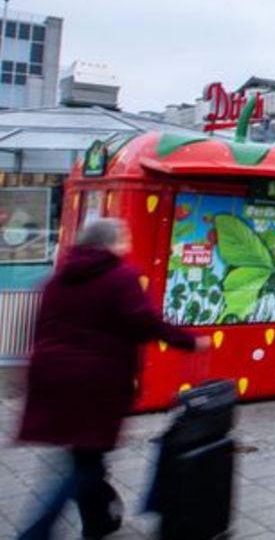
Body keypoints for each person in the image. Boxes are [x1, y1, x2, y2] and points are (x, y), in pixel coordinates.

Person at [15, 218, 211, 540]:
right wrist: (191, 341)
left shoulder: (56, 280)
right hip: (95, 384)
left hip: (51, 378)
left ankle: (98, 524)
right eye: (125, 238)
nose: (128, 244)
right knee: (85, 464)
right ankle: (37, 532)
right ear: (110, 243)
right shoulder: (120, 277)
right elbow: (145, 322)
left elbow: (38, 329)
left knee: (84, 456)